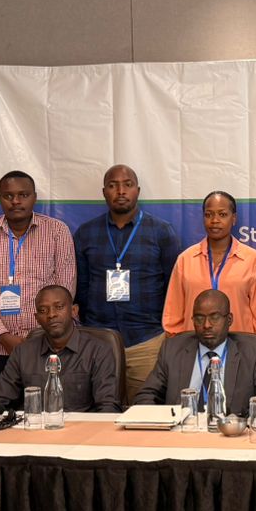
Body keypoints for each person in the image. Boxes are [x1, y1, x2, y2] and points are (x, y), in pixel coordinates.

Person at [73, 164, 181, 400]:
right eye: (113, 185)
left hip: (146, 341)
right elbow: (81, 287)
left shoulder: (162, 232)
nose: (120, 191)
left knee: (144, 414)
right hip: (98, 343)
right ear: (104, 193)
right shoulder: (86, 233)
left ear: (137, 191)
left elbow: (173, 288)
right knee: (100, 413)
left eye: (127, 185)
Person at [0, 170, 76, 384]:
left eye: (23, 195)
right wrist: (4, 336)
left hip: (48, 346)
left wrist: (36, 338)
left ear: (34, 197)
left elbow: (65, 289)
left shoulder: (57, 232)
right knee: (3, 414)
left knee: (48, 410)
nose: (15, 201)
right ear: (0, 199)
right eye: (8, 196)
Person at [136, 289, 256, 416]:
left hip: (230, 437)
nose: (206, 325)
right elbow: (146, 395)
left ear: (229, 319)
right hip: (181, 435)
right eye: (199, 318)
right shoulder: (173, 349)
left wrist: (238, 418)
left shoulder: (254, 352)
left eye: (214, 317)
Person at [0, 285, 121, 417]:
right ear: (37, 318)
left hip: (80, 435)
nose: (51, 314)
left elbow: (108, 408)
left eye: (59, 307)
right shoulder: (23, 352)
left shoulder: (98, 350)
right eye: (43, 310)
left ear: (74, 311)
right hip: (32, 434)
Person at [163, 191, 256, 336]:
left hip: (239, 348)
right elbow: (173, 314)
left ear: (234, 218)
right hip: (193, 346)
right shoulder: (185, 259)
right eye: (208, 214)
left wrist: (255, 346)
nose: (214, 220)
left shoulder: (252, 259)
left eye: (222, 214)